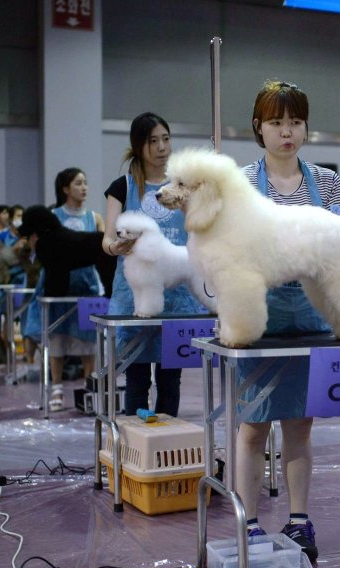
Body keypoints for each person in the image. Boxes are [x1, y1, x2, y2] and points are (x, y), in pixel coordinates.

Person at [235, 80, 340, 563]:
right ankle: (249, 523)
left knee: (300, 425)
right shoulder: (239, 181)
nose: (287, 132)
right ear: (259, 126)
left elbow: (338, 253)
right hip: (260, 318)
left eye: (295, 122)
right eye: (277, 122)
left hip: (313, 315)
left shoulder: (328, 182)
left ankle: (300, 521)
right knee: (254, 427)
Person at [103, 112, 205, 417]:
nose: (162, 147)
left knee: (170, 380)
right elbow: (107, 239)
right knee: (136, 380)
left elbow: (199, 228)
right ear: (139, 145)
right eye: (153, 141)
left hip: (177, 296)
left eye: (166, 139)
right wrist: (115, 247)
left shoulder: (184, 186)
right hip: (134, 296)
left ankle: (165, 451)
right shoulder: (121, 186)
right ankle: (136, 452)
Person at [22, 168, 107, 409]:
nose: (84, 188)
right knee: (57, 337)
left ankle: (87, 389)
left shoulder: (95, 217)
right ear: (65, 189)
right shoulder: (50, 216)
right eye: (78, 183)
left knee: (87, 340)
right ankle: (56, 388)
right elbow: (35, 253)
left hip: (87, 285)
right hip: (58, 289)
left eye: (86, 182)